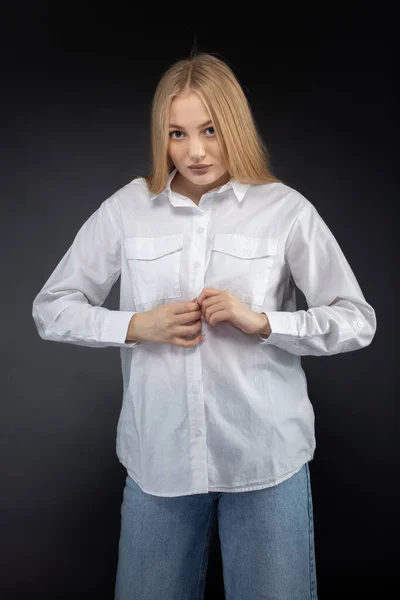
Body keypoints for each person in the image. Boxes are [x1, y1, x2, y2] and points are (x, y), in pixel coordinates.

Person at [32, 51, 377, 600]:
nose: (194, 151)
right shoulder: (128, 208)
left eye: (210, 130)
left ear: (234, 125)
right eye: (177, 133)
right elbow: (52, 306)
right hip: (158, 464)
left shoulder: (286, 211)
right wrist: (135, 325)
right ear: (161, 136)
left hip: (266, 460)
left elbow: (357, 320)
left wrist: (262, 321)